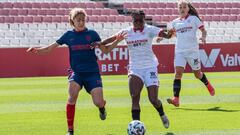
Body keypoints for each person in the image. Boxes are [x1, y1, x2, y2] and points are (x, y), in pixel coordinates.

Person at [27, 8, 107, 135]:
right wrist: (38, 50)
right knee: (72, 97)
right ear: (72, 21)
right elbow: (50, 48)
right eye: (78, 20)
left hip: (92, 73)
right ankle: (70, 130)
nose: (81, 22)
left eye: (83, 20)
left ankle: (102, 108)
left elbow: (104, 49)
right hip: (76, 72)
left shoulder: (93, 34)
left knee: (98, 102)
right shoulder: (68, 35)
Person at [95, 10, 170, 129]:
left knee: (153, 99)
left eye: (141, 20)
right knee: (135, 97)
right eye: (136, 20)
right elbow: (111, 39)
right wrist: (100, 43)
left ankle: (162, 114)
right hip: (135, 68)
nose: (138, 23)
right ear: (132, 20)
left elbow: (163, 33)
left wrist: (169, 34)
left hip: (150, 67)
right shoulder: (126, 32)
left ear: (144, 20)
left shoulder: (150, 29)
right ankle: (136, 127)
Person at [157, 0, 215, 107]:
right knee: (178, 73)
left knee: (197, 74)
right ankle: (176, 99)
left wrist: (203, 37)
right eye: (180, 7)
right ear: (178, 9)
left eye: (184, 7)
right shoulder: (175, 22)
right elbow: (170, 35)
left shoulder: (194, 19)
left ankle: (208, 84)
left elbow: (203, 30)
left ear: (188, 8)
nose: (182, 9)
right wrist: (161, 38)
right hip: (179, 51)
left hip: (192, 51)